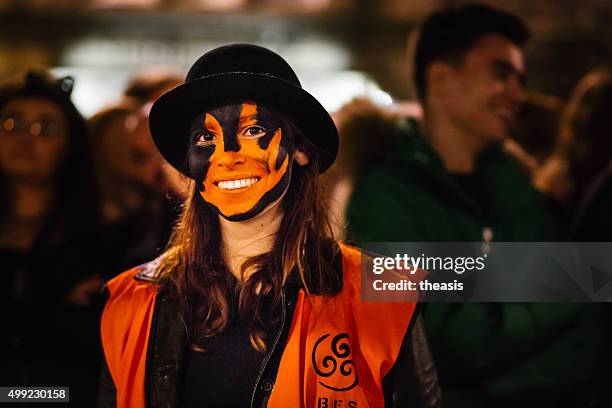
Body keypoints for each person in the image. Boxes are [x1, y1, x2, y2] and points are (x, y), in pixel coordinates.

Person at [97, 44, 442, 408]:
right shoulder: (129, 304)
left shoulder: (384, 295)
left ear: (300, 150)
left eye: (253, 129)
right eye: (206, 137)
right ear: (190, 164)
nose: (227, 155)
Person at [345, 4, 604, 407]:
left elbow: (591, 329)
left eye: (522, 78)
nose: (519, 94)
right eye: (501, 73)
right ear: (441, 79)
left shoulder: (515, 184)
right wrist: (559, 284)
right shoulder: (383, 195)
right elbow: (427, 344)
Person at [0, 69, 104, 406]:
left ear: (69, 145)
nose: (25, 139)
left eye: (45, 128)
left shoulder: (101, 240)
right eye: (11, 124)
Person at [534, 68, 612, 238]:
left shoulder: (601, 185)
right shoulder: (557, 164)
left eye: (594, 105)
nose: (583, 113)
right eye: (584, 102)